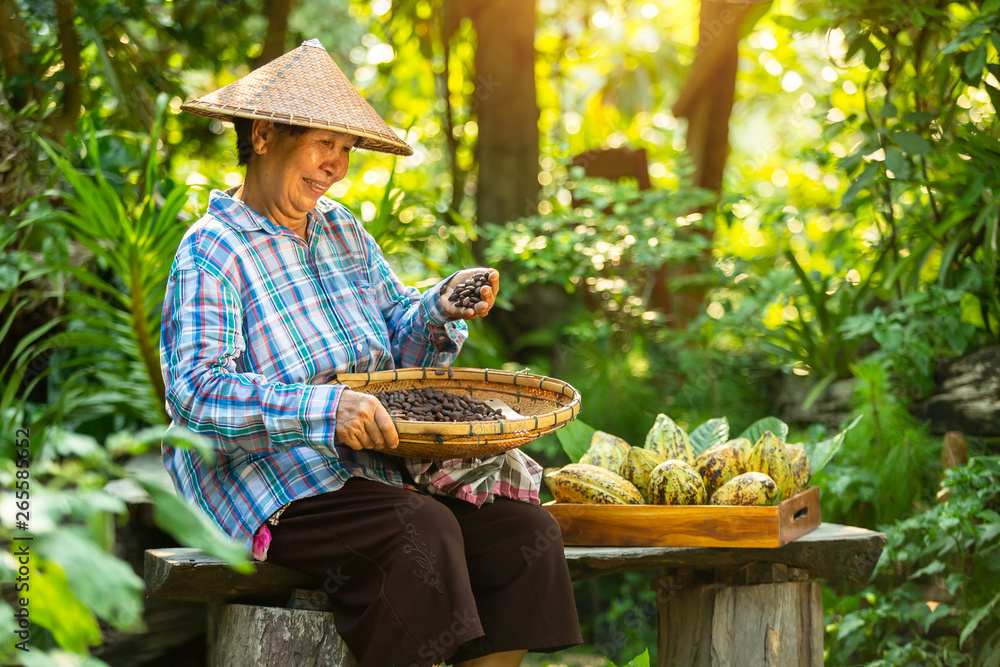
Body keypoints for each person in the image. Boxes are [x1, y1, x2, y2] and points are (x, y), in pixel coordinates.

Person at [160, 38, 582, 667]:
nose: (336, 165)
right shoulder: (213, 250)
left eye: (346, 148)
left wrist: (440, 307)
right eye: (323, 143)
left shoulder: (342, 230)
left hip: (374, 472)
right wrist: (324, 409)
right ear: (265, 134)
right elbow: (197, 392)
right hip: (276, 480)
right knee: (422, 530)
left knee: (527, 533)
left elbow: (396, 338)